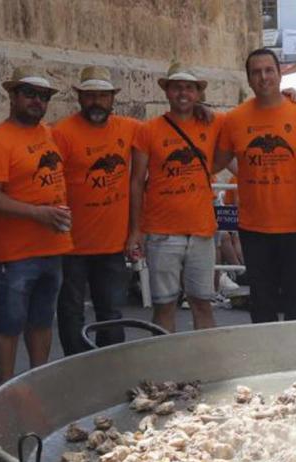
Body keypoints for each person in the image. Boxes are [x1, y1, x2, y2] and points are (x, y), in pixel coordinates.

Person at [0, 66, 73, 383]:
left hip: (52, 246)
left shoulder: (47, 133)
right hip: (13, 254)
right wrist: (38, 214)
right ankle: (7, 390)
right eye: (29, 94)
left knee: (42, 321)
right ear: (13, 96)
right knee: (9, 323)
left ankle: (37, 384)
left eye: (42, 96)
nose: (37, 101)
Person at [214, 48, 296, 323]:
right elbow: (216, 161)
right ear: (249, 79)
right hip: (254, 229)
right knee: (261, 303)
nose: (263, 77)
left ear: (279, 74)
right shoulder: (234, 119)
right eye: (256, 72)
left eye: (268, 70)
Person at [126, 62, 225, 333]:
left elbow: (248, 120)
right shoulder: (148, 130)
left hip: (201, 232)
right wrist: (135, 230)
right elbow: (136, 182)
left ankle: (207, 367)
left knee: (203, 303)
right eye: (177, 87)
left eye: (189, 88)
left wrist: (290, 97)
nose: (183, 93)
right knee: (164, 305)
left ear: (197, 94)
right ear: (167, 92)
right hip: (162, 232)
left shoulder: (213, 122)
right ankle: (164, 371)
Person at [51, 65, 139, 355]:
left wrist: (203, 110)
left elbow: (170, 125)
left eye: (103, 96)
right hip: (71, 245)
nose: (96, 102)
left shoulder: (128, 128)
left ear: (113, 99)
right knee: (71, 312)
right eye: (90, 96)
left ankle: (108, 368)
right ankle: (77, 367)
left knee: (111, 313)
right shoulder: (62, 133)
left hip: (112, 244)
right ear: (79, 98)